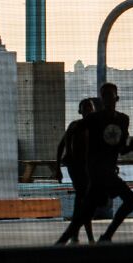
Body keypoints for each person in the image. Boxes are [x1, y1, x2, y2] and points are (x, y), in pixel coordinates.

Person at [56, 82, 133, 244]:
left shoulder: (123, 120)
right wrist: (70, 154)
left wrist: (130, 148)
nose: (107, 98)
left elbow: (119, 148)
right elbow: (71, 131)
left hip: (105, 173)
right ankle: (105, 237)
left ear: (117, 98)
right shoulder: (94, 119)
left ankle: (65, 242)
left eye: (110, 94)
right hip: (97, 173)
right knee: (129, 200)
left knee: (84, 213)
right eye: (104, 95)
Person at [54, 98, 96, 244]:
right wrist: (57, 168)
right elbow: (61, 147)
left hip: (88, 168)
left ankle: (75, 235)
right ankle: (87, 236)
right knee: (83, 199)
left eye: (90, 107)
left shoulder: (94, 128)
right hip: (76, 167)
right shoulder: (75, 126)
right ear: (80, 111)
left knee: (82, 201)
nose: (88, 110)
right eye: (85, 107)